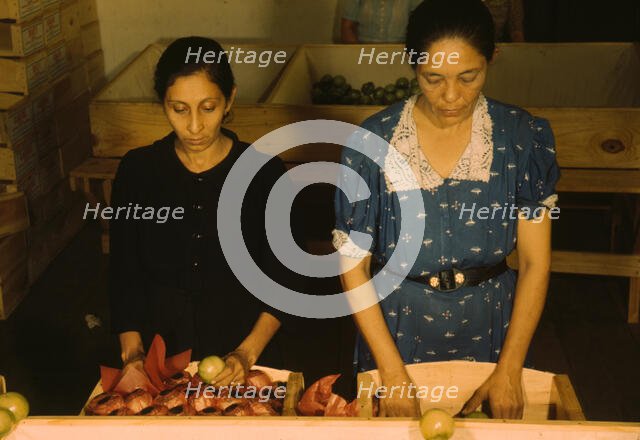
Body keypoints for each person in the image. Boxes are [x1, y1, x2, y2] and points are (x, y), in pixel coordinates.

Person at [334, 0, 558, 418]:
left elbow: (534, 262)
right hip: (396, 331)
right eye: (433, 78)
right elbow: (353, 269)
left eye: (468, 77)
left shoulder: (522, 137)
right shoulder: (371, 143)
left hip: (494, 329)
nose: (451, 96)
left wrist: (509, 369)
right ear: (412, 65)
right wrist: (393, 373)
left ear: (493, 56)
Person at [108, 36, 293, 387]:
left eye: (208, 107)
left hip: (246, 356)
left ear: (229, 99)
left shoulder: (263, 173)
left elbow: (283, 282)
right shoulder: (138, 171)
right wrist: (132, 356)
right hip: (158, 359)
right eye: (179, 109)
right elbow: (123, 273)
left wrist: (246, 354)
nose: (194, 127)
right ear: (163, 103)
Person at [341, 0, 423, 43]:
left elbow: (421, 28)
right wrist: (360, 54)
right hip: (363, 53)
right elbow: (347, 28)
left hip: (400, 54)